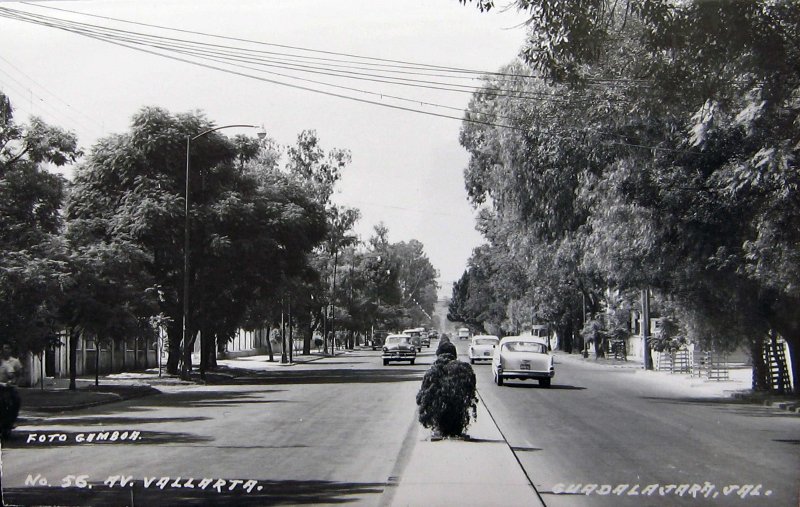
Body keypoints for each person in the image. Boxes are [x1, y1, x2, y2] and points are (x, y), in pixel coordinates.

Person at [0, 344, 22, 439]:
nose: (6, 351)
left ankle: (11, 420)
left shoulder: (13, 362)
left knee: (16, 400)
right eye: (4, 349)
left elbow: (15, 374)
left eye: (8, 348)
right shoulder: (2, 362)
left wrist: (12, 382)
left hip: (7, 387)